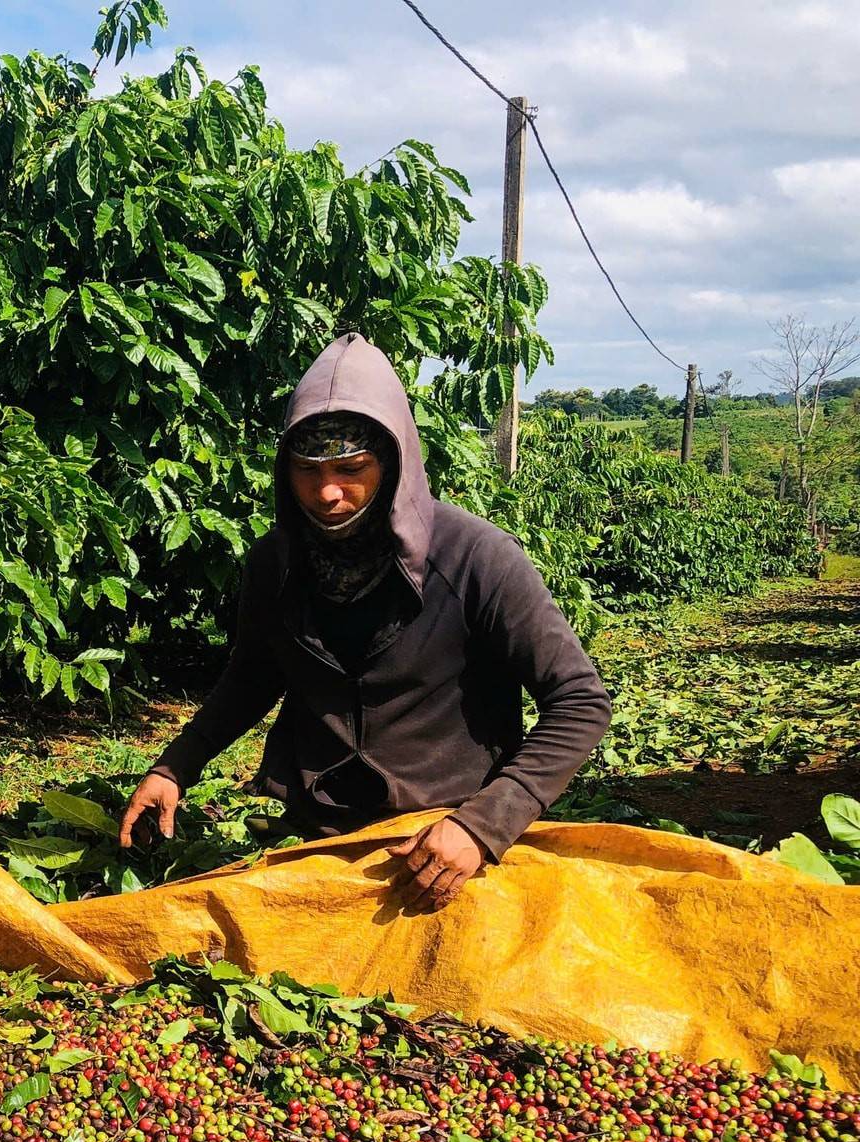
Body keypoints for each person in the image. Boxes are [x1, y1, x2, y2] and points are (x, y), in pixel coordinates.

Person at [119, 332, 613, 910]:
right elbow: (253, 677)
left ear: (392, 463)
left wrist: (484, 824)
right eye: (308, 470)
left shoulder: (477, 558)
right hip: (318, 835)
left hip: (444, 839)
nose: (328, 492)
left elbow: (579, 700)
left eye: (352, 468)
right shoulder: (275, 564)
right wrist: (175, 767)